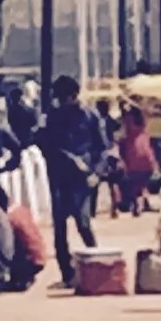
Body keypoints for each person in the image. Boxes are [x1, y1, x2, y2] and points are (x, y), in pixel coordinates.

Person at [42, 74, 109, 283]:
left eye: (63, 98)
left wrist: (96, 173)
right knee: (59, 228)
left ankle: (97, 265)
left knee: (83, 222)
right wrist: (65, 157)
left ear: (73, 96)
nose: (60, 103)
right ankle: (67, 273)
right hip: (59, 178)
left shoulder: (90, 116)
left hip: (82, 179)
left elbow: (103, 149)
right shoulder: (54, 117)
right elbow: (47, 143)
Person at [113, 101, 158, 216]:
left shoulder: (128, 121)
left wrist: (124, 102)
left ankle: (136, 204)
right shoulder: (144, 121)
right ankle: (141, 201)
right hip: (145, 150)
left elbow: (123, 113)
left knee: (133, 181)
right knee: (142, 181)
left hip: (132, 150)